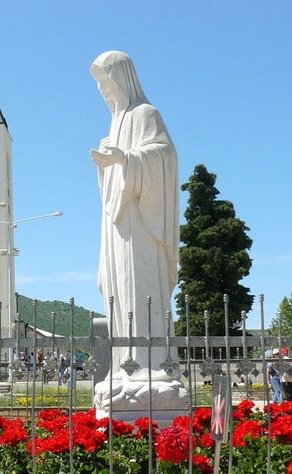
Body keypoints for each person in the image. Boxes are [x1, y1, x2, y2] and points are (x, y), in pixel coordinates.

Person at [89, 51, 179, 377]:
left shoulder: (145, 114)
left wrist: (124, 159)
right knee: (116, 291)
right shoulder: (115, 123)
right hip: (115, 223)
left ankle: (151, 367)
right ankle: (123, 367)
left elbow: (164, 156)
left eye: (105, 80)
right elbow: (113, 178)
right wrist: (108, 164)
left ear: (122, 78)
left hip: (140, 223)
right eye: (98, 83)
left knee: (140, 291)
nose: (102, 88)